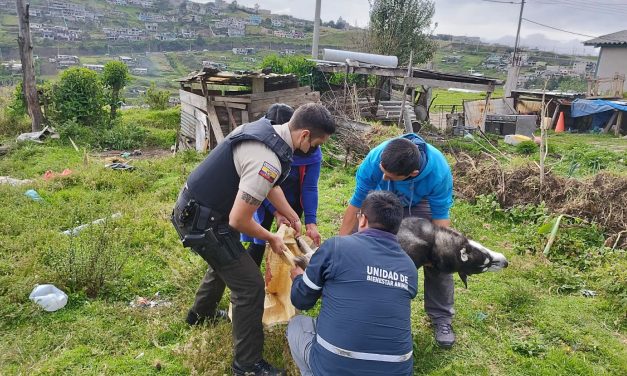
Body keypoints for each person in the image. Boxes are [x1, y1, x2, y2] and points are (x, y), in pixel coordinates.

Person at [171, 103, 336, 376]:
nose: (315, 148)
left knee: (227, 262)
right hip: (204, 221)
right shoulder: (267, 160)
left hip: (201, 211)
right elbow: (240, 220)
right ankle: (247, 365)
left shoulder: (266, 133)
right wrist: (271, 237)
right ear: (305, 135)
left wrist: (291, 214)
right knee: (249, 285)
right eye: (318, 142)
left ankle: (200, 314)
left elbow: (271, 185)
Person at [338, 134, 456, 348]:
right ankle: (355, 303)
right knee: (357, 244)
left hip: (421, 202)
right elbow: (357, 203)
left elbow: (441, 218)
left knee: (440, 254)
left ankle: (441, 318)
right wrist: (341, 244)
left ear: (413, 174)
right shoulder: (376, 159)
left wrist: (438, 251)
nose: (383, 177)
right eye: (382, 172)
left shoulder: (439, 172)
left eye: (389, 176)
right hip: (381, 200)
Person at [287, 191, 418, 376]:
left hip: (335, 367)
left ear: (362, 220)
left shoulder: (336, 246)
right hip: (397, 370)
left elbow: (301, 300)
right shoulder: (409, 266)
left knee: (297, 324)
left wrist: (299, 277)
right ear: (396, 227)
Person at [241, 103, 323, 267]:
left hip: (292, 198)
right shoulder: (262, 146)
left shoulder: (309, 148)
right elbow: (261, 187)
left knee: (290, 240)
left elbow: (309, 187)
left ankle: (288, 281)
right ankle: (253, 278)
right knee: (258, 241)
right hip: (262, 198)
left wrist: (311, 222)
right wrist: (276, 212)